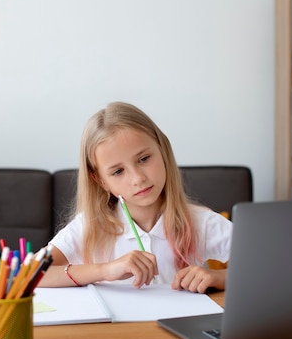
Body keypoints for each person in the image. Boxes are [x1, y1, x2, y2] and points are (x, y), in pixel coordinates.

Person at [39, 101, 232, 293]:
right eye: (118, 171)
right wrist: (105, 270)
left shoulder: (201, 222)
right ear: (101, 181)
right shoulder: (90, 227)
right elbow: (29, 275)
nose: (138, 178)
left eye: (144, 159)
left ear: (162, 150)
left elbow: (261, 268)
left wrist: (220, 277)